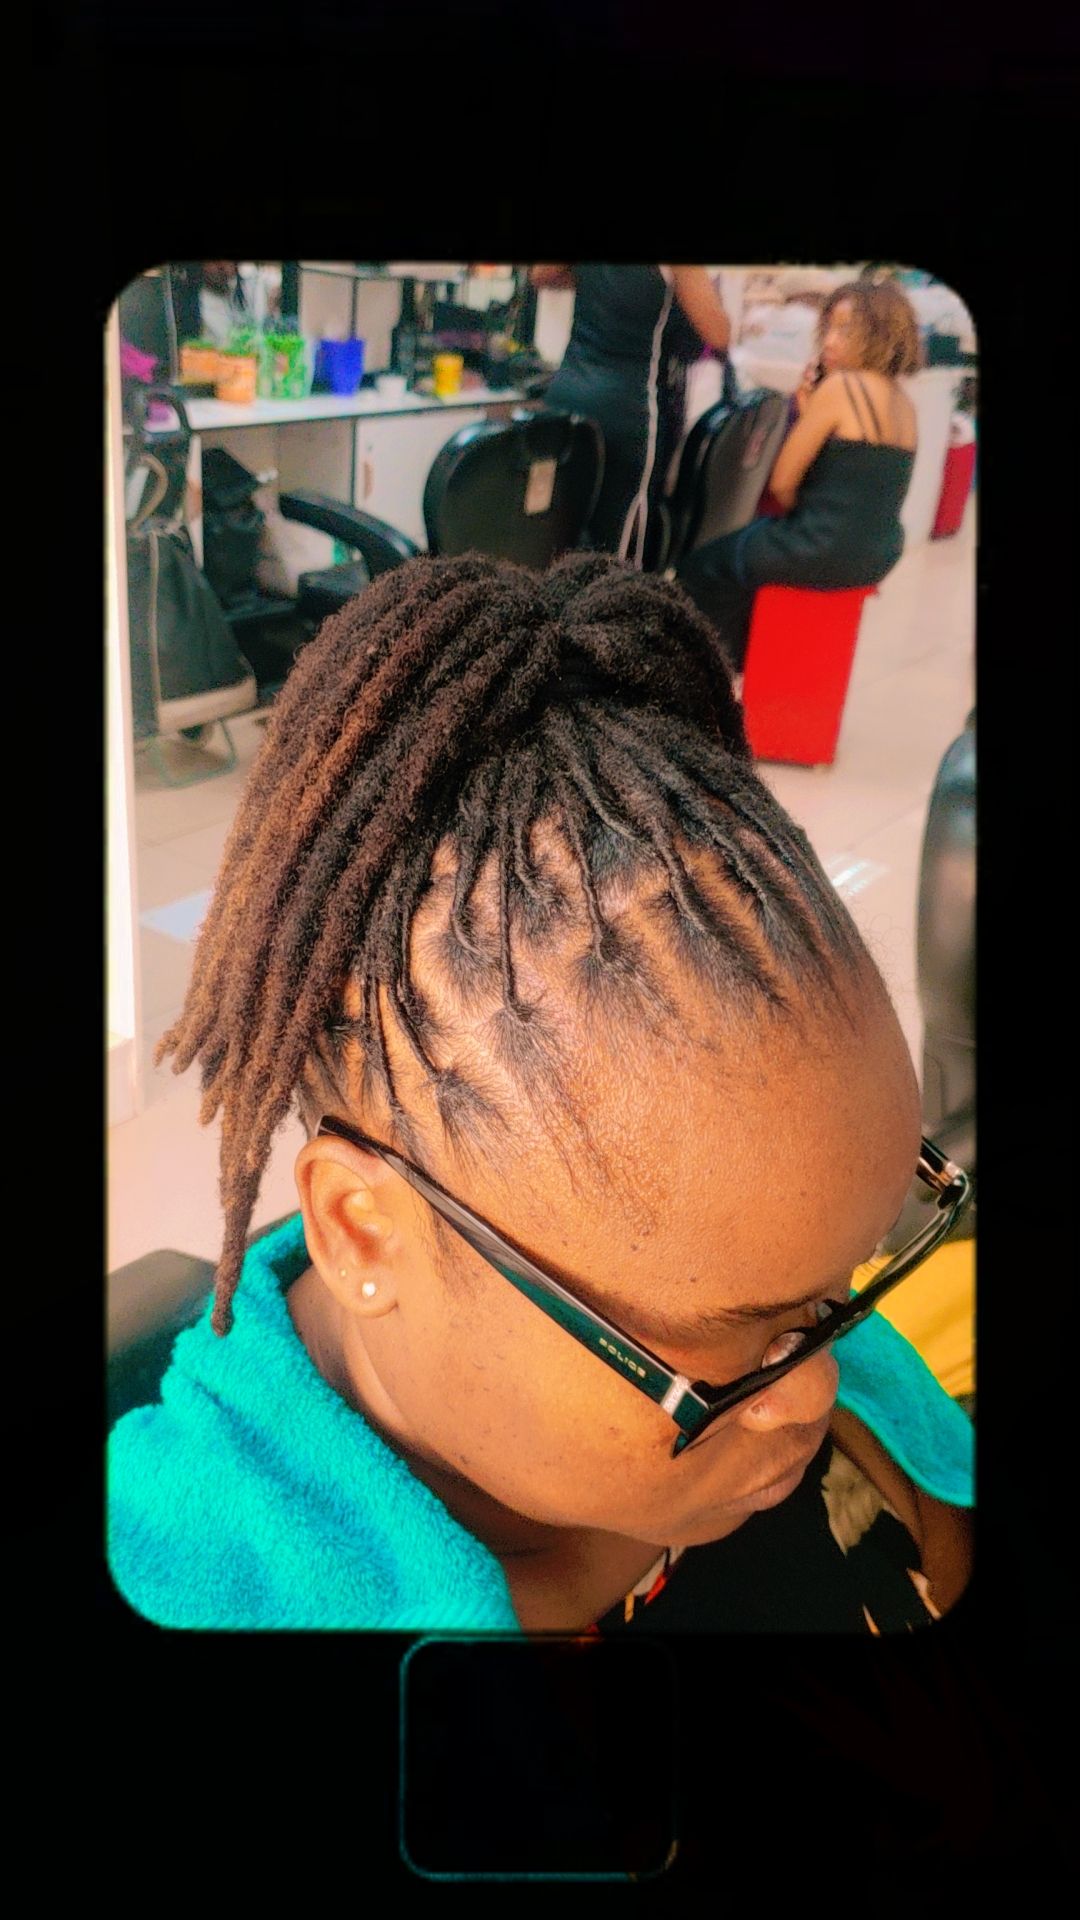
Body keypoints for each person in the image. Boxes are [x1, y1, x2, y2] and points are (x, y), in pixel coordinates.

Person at [108, 551, 974, 1633]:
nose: (820, 1384)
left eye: (839, 1287)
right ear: (364, 1230)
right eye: (733, 1342)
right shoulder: (203, 1593)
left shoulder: (787, 1313)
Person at [675, 279, 922, 671]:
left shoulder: (842, 386)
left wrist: (809, 413)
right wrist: (810, 413)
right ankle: (751, 664)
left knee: (701, 567)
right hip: (878, 554)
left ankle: (709, 672)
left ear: (878, 335)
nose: (830, 342)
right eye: (829, 329)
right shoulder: (904, 404)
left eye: (846, 331)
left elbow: (783, 483)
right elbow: (855, 479)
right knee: (751, 562)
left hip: (819, 547)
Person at [532, 265, 732, 567]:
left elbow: (542, 275)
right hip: (628, 410)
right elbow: (718, 333)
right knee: (616, 548)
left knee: (558, 534)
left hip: (567, 395)